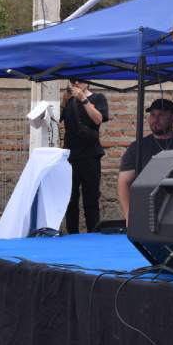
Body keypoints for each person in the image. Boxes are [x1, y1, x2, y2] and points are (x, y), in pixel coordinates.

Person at [117, 98, 173, 221]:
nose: (155, 119)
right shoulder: (138, 146)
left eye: (161, 115)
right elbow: (124, 182)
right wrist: (129, 215)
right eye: (152, 114)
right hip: (147, 211)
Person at [60, 78, 110, 233]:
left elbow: (98, 119)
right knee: (70, 199)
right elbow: (59, 120)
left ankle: (93, 234)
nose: (76, 83)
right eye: (72, 80)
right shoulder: (68, 100)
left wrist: (84, 99)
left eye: (80, 80)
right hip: (70, 155)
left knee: (91, 199)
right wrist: (64, 101)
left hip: (90, 155)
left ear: (87, 82)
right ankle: (72, 234)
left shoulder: (97, 98)